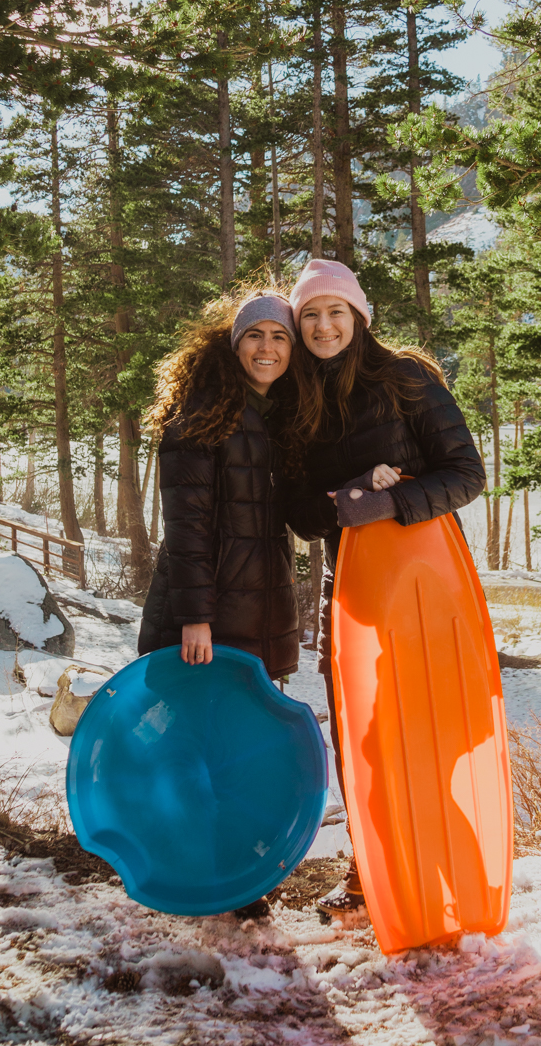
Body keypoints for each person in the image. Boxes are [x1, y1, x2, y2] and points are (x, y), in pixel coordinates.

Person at [286, 259, 486, 912]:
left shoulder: (405, 377)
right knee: (358, 740)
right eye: (310, 314)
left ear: (358, 317)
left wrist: (395, 501)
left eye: (335, 312)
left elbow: (465, 473)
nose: (323, 325)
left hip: (424, 585)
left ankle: (459, 882)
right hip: (352, 594)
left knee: (422, 734)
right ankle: (375, 875)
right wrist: (341, 502)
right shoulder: (298, 402)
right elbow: (300, 514)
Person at [138, 291, 299, 683]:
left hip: (257, 616)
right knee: (192, 737)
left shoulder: (279, 418)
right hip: (203, 625)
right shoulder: (200, 415)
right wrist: (195, 620)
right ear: (235, 344)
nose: (267, 347)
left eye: (280, 337)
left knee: (239, 738)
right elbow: (186, 528)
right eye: (254, 335)